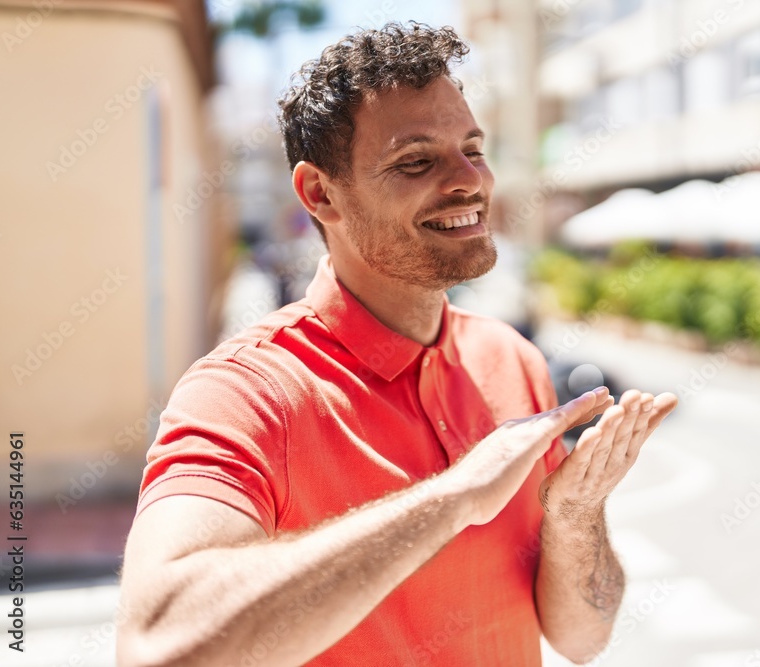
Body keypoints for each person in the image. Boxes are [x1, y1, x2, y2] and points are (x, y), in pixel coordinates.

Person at [116, 22, 677, 667]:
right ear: (319, 193)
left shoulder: (511, 358)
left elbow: (582, 640)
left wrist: (575, 513)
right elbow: (159, 644)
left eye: (473, 148)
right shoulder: (247, 392)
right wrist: (453, 498)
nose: (469, 180)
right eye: (417, 161)